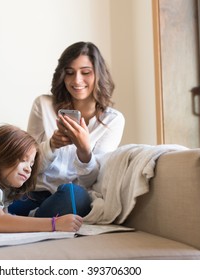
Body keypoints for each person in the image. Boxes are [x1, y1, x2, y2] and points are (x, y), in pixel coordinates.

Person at [9, 41, 125, 218]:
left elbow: (93, 180)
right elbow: (28, 166)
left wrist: (84, 151)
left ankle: (32, 220)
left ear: (98, 74)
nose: (77, 80)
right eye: (70, 73)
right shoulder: (43, 105)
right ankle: (37, 218)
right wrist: (51, 145)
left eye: (85, 72)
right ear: (62, 75)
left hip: (70, 196)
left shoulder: (113, 120)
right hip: (34, 192)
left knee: (74, 195)